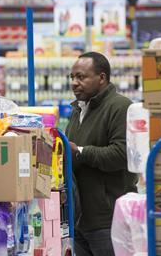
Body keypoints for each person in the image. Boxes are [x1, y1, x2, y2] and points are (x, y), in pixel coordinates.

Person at [65, 52, 137, 256]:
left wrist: (79, 151)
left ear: (102, 78)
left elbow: (122, 154)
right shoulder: (78, 109)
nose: (74, 83)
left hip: (108, 219)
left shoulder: (120, 107)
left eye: (81, 77)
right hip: (80, 219)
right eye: (72, 77)